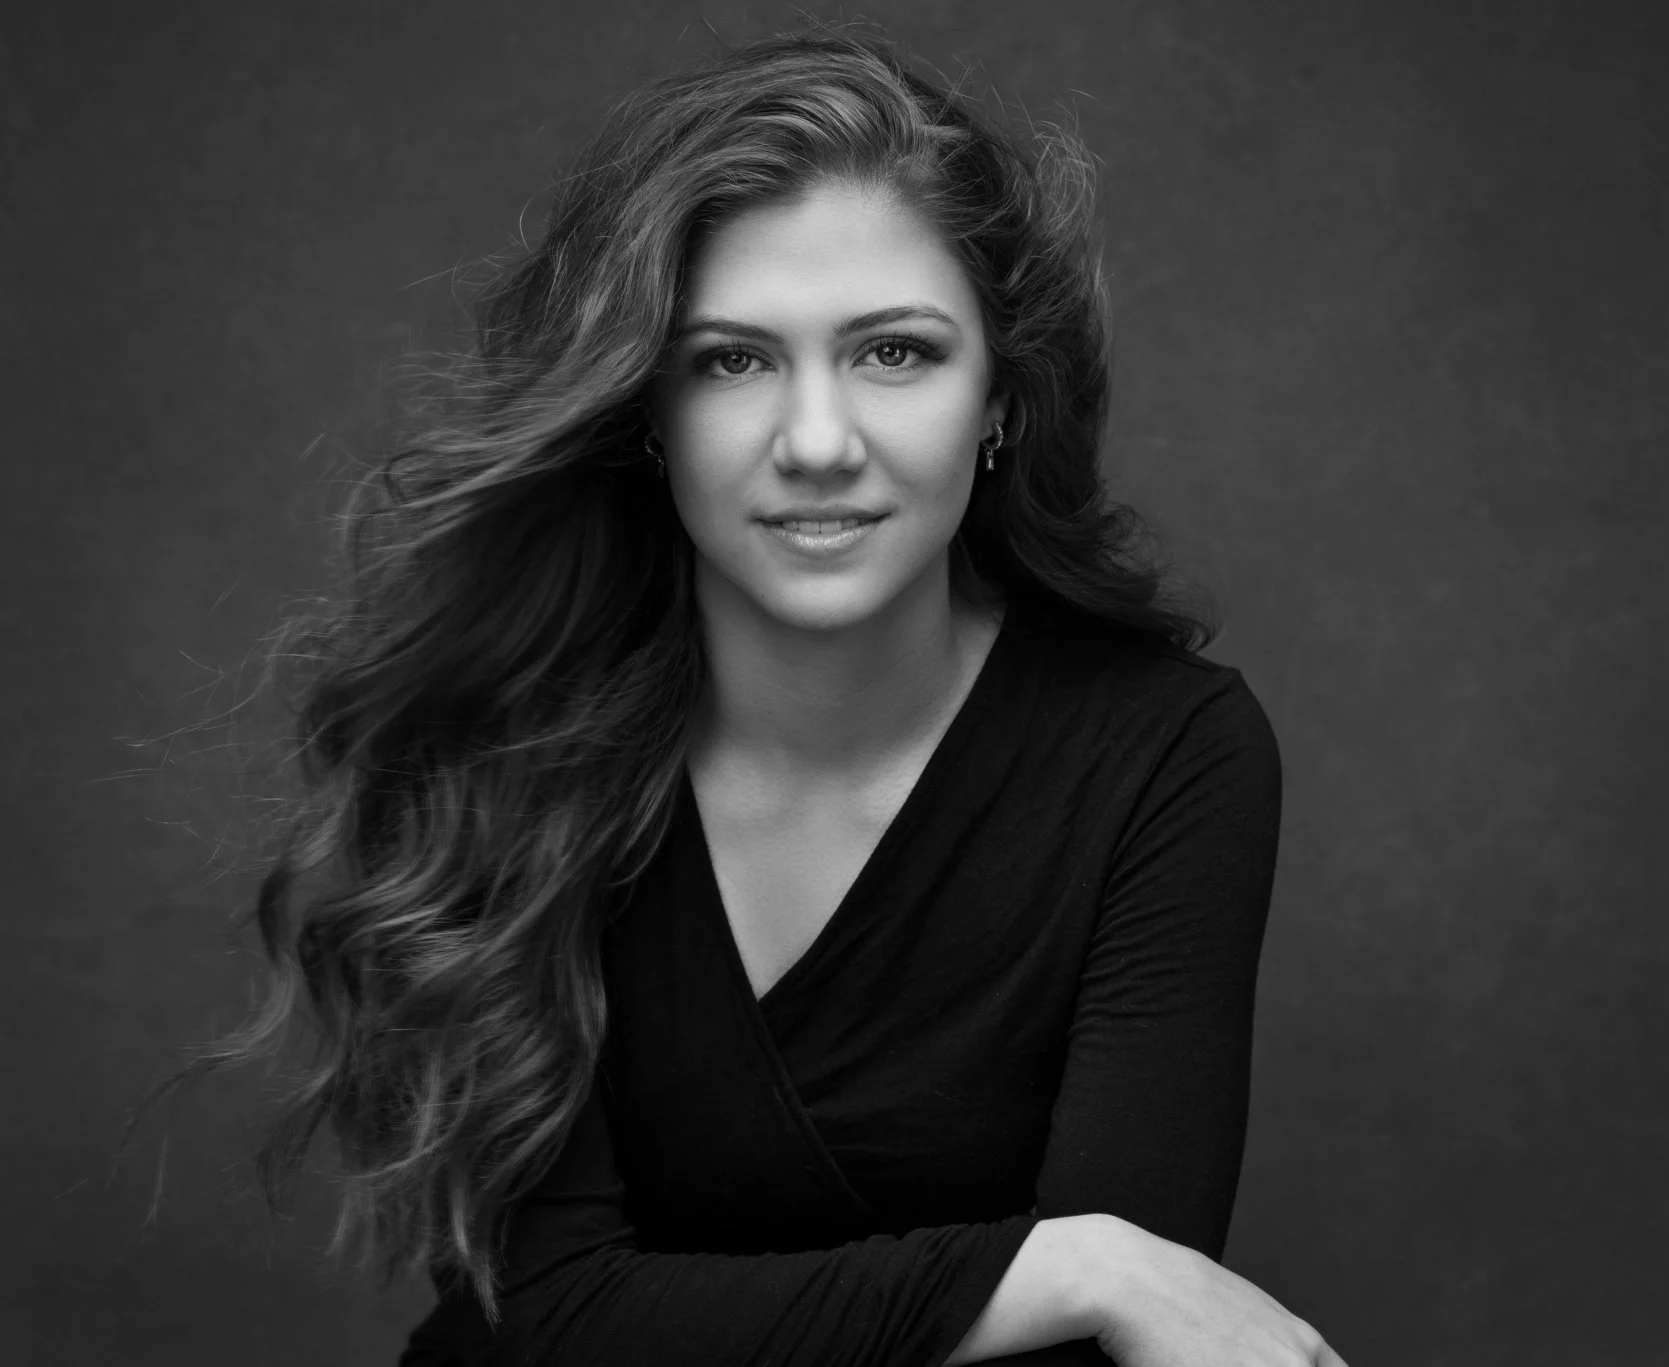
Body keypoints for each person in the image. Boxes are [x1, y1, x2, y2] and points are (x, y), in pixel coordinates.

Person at [216, 26, 1346, 1367]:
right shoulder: (512, 739)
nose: (818, 443)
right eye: (733, 361)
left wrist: (1091, 1283)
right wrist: (1068, 1261)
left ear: (1000, 398)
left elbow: (1124, 1340)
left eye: (896, 354)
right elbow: (555, 1321)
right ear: (648, 410)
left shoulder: (1167, 754)